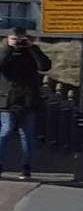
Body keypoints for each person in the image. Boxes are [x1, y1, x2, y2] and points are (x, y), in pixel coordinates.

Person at [0, 26, 48, 179]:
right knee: (6, 131)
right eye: (15, 39)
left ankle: (26, 168)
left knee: (26, 134)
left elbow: (45, 66)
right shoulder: (4, 52)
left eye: (22, 40)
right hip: (8, 99)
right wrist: (8, 48)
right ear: (8, 39)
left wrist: (32, 48)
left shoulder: (31, 53)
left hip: (28, 100)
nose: (19, 43)